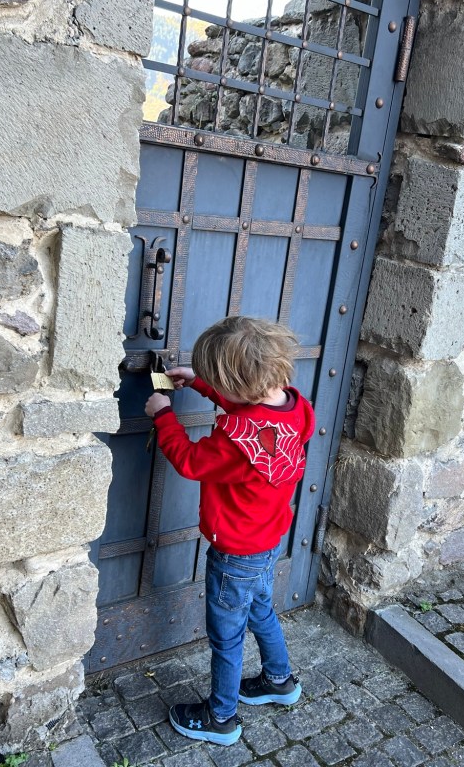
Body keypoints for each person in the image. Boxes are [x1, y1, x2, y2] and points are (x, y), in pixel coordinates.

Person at [144, 315, 315, 746]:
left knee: (227, 637)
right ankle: (279, 680)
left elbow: (190, 461)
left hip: (235, 552)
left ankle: (220, 717)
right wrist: (201, 384)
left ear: (236, 384)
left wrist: (163, 415)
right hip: (268, 539)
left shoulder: (238, 442)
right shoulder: (295, 406)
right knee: (261, 611)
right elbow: (252, 409)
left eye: (219, 382)